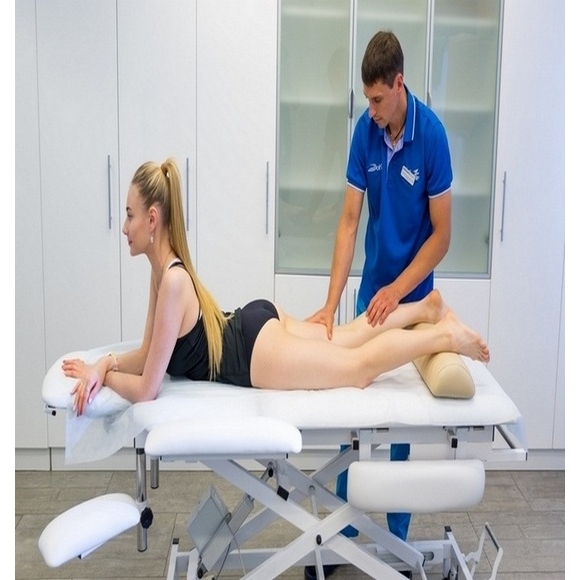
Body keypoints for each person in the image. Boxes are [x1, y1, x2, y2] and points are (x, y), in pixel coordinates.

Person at [63, 159, 485, 421]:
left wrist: (106, 378)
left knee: (357, 369)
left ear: (152, 218)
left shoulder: (171, 280)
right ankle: (425, 308)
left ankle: (445, 335)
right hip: (253, 324)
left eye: (130, 215)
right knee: (348, 337)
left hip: (255, 352)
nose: (125, 226)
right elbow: (149, 354)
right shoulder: (164, 273)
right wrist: (104, 365)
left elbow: (146, 390)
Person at [307, 30, 454, 577]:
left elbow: (442, 236)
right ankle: (344, 537)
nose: (370, 110)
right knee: (355, 418)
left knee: (399, 429)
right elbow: (349, 222)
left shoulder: (431, 136)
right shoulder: (365, 133)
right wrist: (330, 305)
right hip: (372, 297)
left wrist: (400, 291)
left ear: (399, 84)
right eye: (366, 99)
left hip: (412, 299)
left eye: (376, 99)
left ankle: (397, 544)